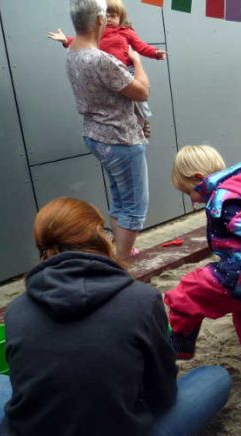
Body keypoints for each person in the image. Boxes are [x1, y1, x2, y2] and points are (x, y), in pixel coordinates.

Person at [0, 197, 231, 436]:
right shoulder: (141, 300)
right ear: (100, 236)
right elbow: (163, 395)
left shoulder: (18, 310)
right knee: (215, 377)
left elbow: (31, 393)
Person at [164, 145, 241, 388]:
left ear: (199, 179)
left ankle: (181, 344)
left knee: (187, 291)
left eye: (189, 192)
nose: (191, 200)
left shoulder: (228, 198)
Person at [60, 0, 151, 261]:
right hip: (120, 138)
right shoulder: (101, 60)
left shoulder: (73, 53)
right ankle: (120, 262)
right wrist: (137, 61)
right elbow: (142, 91)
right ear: (100, 20)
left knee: (120, 197)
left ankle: (120, 248)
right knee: (134, 206)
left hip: (96, 135)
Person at [48, 0, 166, 138]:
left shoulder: (125, 32)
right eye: (106, 15)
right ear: (100, 18)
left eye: (113, 16)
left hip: (126, 69)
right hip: (108, 73)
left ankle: (143, 120)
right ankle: (134, 122)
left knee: (138, 100)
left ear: (121, 18)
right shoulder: (98, 33)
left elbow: (141, 46)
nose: (109, 19)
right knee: (119, 101)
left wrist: (155, 53)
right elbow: (80, 41)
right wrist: (65, 40)